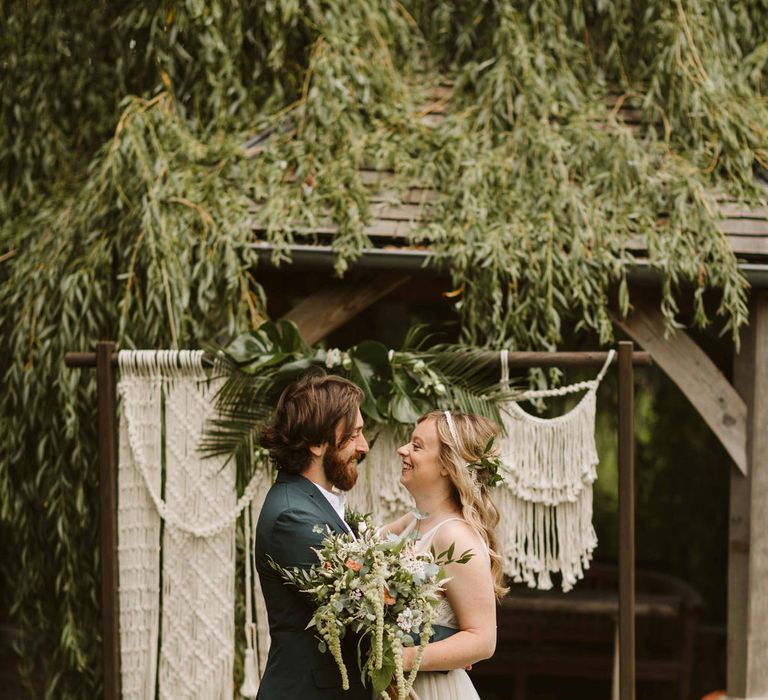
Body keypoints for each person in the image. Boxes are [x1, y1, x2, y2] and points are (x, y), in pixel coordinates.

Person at [255, 370, 370, 699]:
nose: (363, 446)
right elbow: (356, 613)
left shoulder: (312, 502)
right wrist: (445, 642)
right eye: (354, 434)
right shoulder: (294, 518)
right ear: (318, 443)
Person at [381, 410, 508, 699]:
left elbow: (483, 640)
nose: (402, 450)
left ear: (446, 466)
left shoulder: (455, 537)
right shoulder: (414, 520)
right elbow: (357, 553)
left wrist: (403, 657)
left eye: (416, 446)